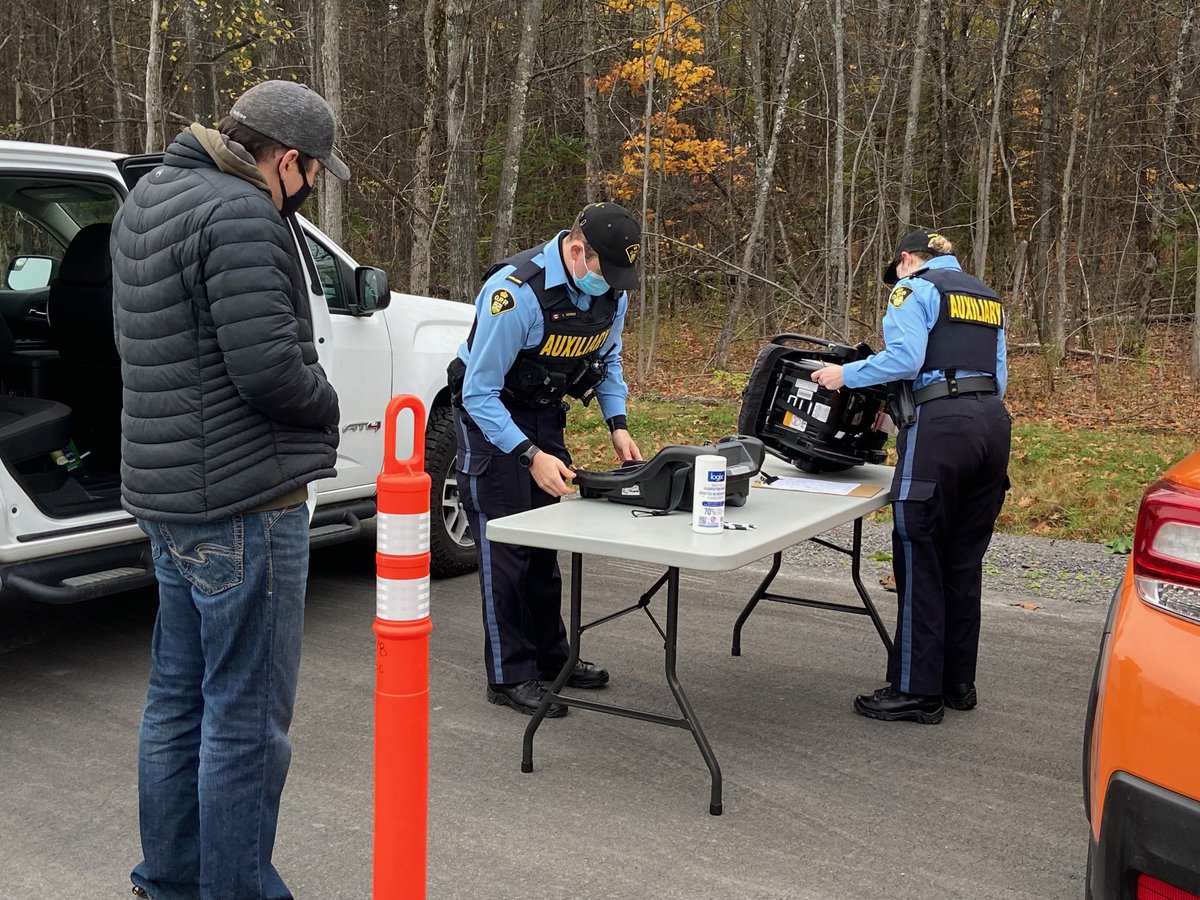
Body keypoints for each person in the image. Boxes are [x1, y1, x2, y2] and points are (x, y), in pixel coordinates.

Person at [111, 80, 348, 899]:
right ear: (287, 161)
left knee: (177, 702)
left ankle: (169, 880)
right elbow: (270, 370)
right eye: (313, 173)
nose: (310, 187)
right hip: (244, 504)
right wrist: (329, 402)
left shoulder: (148, 199)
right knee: (245, 722)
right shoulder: (244, 213)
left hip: (168, 497)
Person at [450, 202, 644, 716]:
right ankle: (510, 674)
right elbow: (477, 392)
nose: (617, 285)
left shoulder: (613, 292)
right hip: (493, 419)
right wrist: (528, 454)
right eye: (610, 272)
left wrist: (617, 424)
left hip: (544, 412)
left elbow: (609, 358)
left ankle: (551, 657)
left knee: (545, 547)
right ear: (578, 251)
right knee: (507, 548)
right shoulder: (515, 294)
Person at [811, 229, 1010, 725]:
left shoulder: (912, 288)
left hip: (942, 427)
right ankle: (957, 683)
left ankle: (915, 690)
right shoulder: (984, 295)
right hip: (992, 422)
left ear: (905, 260)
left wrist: (846, 375)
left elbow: (906, 358)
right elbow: (999, 375)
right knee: (963, 559)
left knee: (918, 549)